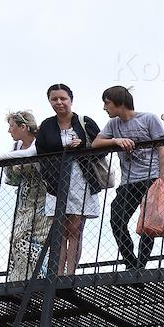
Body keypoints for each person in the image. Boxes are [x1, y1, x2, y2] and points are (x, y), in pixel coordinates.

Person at [92, 86, 164, 269]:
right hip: (128, 181)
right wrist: (115, 141)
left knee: (147, 224)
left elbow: (162, 149)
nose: (104, 107)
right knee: (116, 218)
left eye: (107, 103)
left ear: (119, 102)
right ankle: (131, 261)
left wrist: (162, 179)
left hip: (150, 178)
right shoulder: (113, 125)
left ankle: (140, 266)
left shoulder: (148, 119)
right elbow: (95, 144)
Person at [34, 84, 103, 276]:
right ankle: (57, 273)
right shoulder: (47, 125)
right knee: (60, 230)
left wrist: (82, 146)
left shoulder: (84, 122)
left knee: (75, 228)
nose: (59, 102)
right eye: (54, 99)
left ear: (71, 100)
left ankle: (69, 273)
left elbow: (101, 149)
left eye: (63, 98)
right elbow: (41, 154)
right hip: (56, 181)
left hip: (81, 179)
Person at [0, 110, 51, 281]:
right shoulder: (17, 147)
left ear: (23, 127)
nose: (9, 131)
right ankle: (18, 278)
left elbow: (28, 155)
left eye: (11, 126)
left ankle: (39, 276)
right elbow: (12, 177)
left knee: (38, 238)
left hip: (43, 198)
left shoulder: (39, 142)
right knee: (17, 237)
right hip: (24, 199)